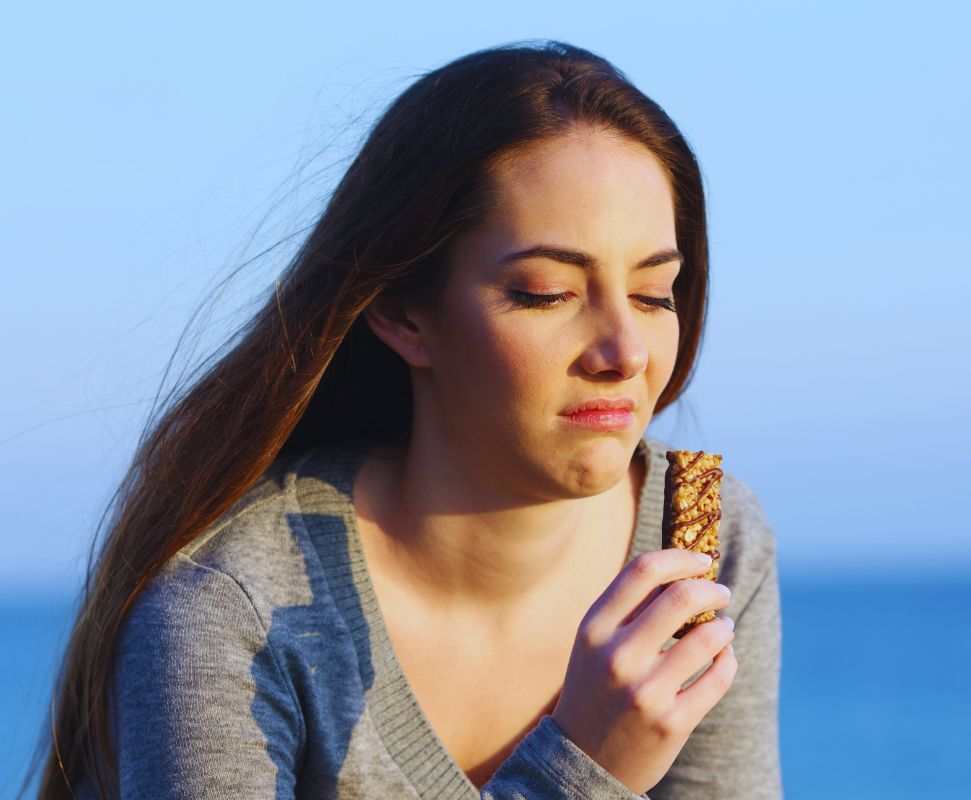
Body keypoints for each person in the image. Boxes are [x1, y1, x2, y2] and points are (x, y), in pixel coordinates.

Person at [22, 39, 782, 799]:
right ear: (400, 311)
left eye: (655, 295)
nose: (624, 351)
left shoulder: (705, 543)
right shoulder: (230, 601)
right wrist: (583, 772)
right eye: (547, 292)